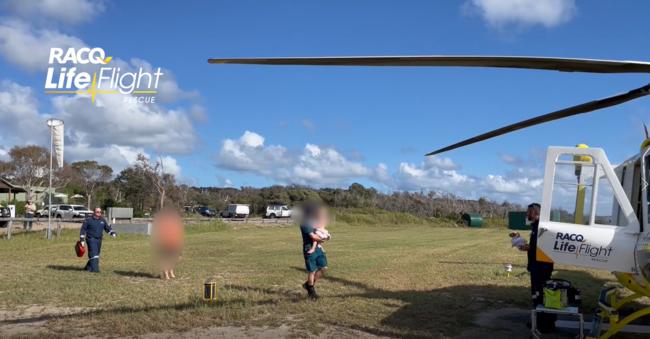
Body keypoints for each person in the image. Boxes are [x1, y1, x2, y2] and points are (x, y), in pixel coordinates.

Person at [520, 203, 556, 333]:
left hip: (541, 268)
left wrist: (529, 247)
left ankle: (544, 324)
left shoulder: (542, 228)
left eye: (529, 212)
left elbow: (543, 247)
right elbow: (536, 245)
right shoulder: (536, 227)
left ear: (536, 213)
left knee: (540, 295)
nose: (527, 214)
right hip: (537, 266)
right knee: (537, 295)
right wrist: (528, 247)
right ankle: (540, 321)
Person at [300, 203, 329, 299]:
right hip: (309, 249)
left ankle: (308, 284)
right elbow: (313, 236)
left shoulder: (314, 221)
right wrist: (324, 239)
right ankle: (311, 291)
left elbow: (321, 227)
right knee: (311, 271)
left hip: (318, 248)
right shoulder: (305, 223)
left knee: (324, 268)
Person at [79, 207, 116, 273]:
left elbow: (107, 228)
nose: (99, 213)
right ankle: (95, 270)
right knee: (94, 254)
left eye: (100, 212)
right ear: (94, 212)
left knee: (96, 254)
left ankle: (88, 267)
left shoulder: (102, 220)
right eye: (97, 212)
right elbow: (83, 230)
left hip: (99, 240)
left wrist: (112, 233)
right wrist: (82, 240)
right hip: (91, 239)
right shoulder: (88, 220)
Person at [153, 208, 184, 280]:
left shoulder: (176, 223)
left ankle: (170, 271)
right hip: (165, 242)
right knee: (164, 259)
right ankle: (166, 273)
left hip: (174, 242)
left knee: (174, 258)